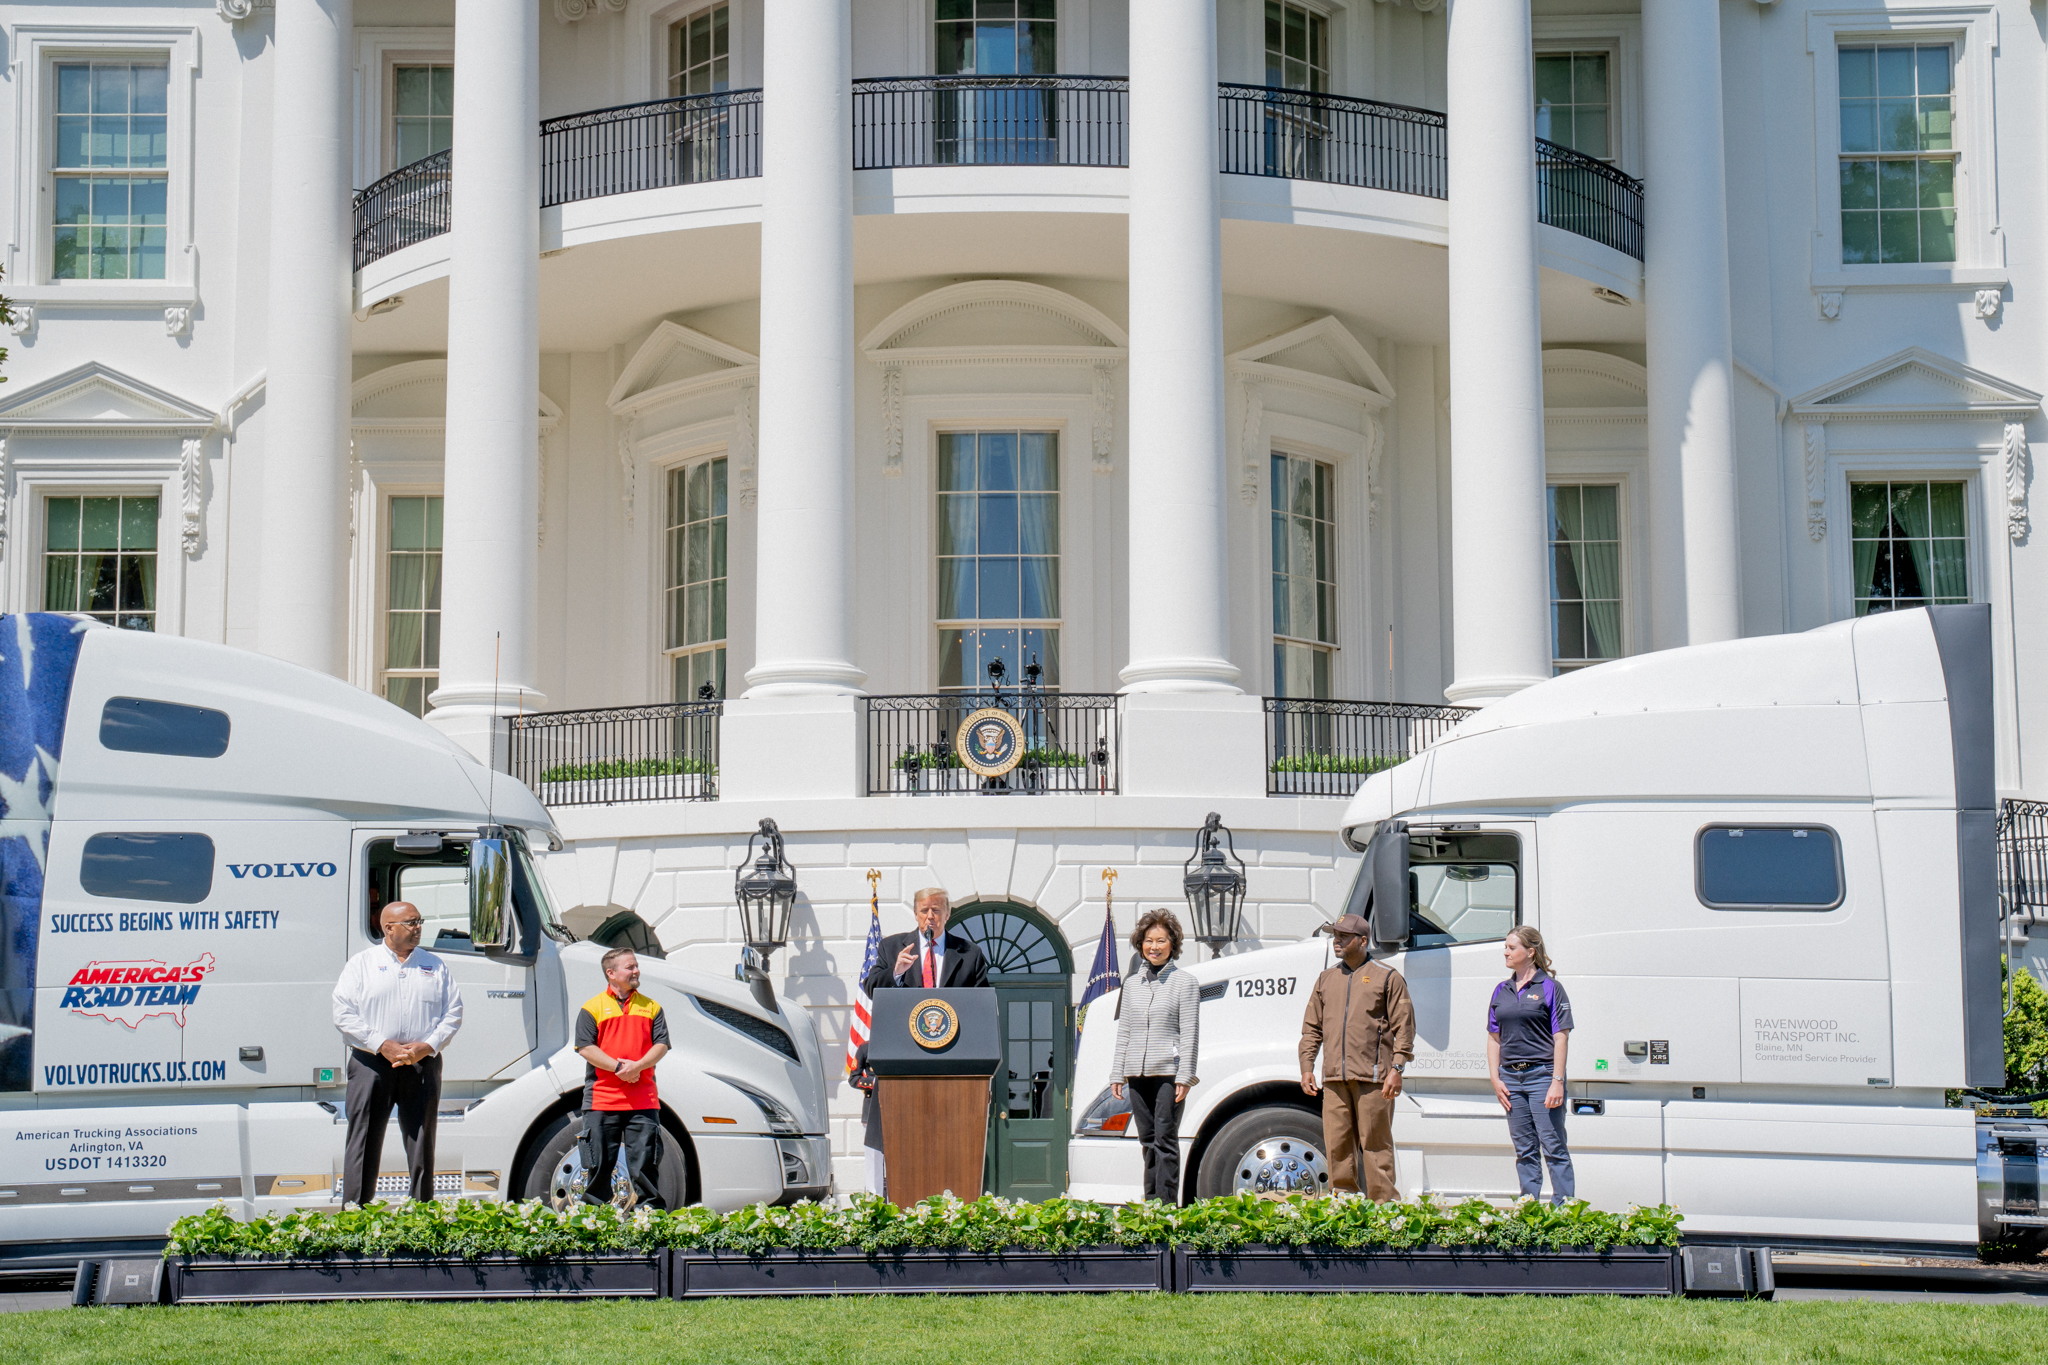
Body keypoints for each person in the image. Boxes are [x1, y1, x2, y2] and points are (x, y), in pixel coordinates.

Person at [332, 900, 464, 1206]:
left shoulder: (434, 965)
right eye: (410, 922)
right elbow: (343, 1013)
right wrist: (381, 1043)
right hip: (372, 1064)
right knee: (363, 1140)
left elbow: (453, 1012)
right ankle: (355, 1215)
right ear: (388, 927)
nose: (418, 928)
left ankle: (421, 1214)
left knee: (421, 1141)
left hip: (421, 1064)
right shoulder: (361, 964)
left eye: (419, 921)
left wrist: (427, 1046)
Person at [1298, 913, 1414, 1201]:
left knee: (1376, 1147)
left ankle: (1385, 1210)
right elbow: (1311, 1028)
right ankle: (1345, 1205)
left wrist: (1397, 1068)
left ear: (1363, 941)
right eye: (1335, 935)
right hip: (1335, 1079)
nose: (1336, 940)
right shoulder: (1326, 979)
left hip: (1375, 1078)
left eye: (1344, 936)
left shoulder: (1387, 977)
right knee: (1337, 1146)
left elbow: (1405, 1027)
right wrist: (1306, 1067)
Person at [1108, 909, 1201, 1202]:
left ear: (1172, 944)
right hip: (1137, 1074)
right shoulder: (1132, 984)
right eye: (1149, 940)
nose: (1154, 947)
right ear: (1141, 944)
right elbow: (1124, 1032)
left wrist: (1185, 1075)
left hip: (1168, 1075)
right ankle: (1151, 1205)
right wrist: (1117, 1072)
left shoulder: (1185, 982)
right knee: (1147, 1141)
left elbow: (1190, 1033)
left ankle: (1168, 1207)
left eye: (1161, 940)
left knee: (1165, 1140)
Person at [572, 947, 671, 1210]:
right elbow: (585, 1047)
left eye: (636, 966)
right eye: (630, 967)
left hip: (643, 1101)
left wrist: (638, 1066)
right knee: (598, 1169)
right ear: (611, 973)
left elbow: (661, 1045)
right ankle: (592, 1227)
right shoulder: (591, 1008)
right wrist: (620, 1068)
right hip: (602, 1100)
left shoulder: (652, 1007)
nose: (637, 971)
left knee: (646, 1169)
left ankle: (651, 1224)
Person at [1487, 925, 1575, 1205]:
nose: (1506, 952)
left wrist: (1557, 1081)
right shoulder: (1501, 990)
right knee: (1524, 1149)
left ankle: (1564, 1210)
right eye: (1506, 946)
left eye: (1512, 947)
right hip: (1510, 1078)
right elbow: (1493, 1038)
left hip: (1541, 1076)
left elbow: (1561, 1037)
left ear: (1530, 952)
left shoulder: (1550, 987)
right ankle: (1528, 1208)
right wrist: (1495, 1079)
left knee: (1553, 1145)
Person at [862, 887, 991, 993]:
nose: (930, 916)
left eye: (936, 910)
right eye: (924, 911)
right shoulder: (891, 947)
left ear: (947, 914)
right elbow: (870, 989)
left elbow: (981, 1002)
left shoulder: (970, 954)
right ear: (916, 914)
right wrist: (896, 972)